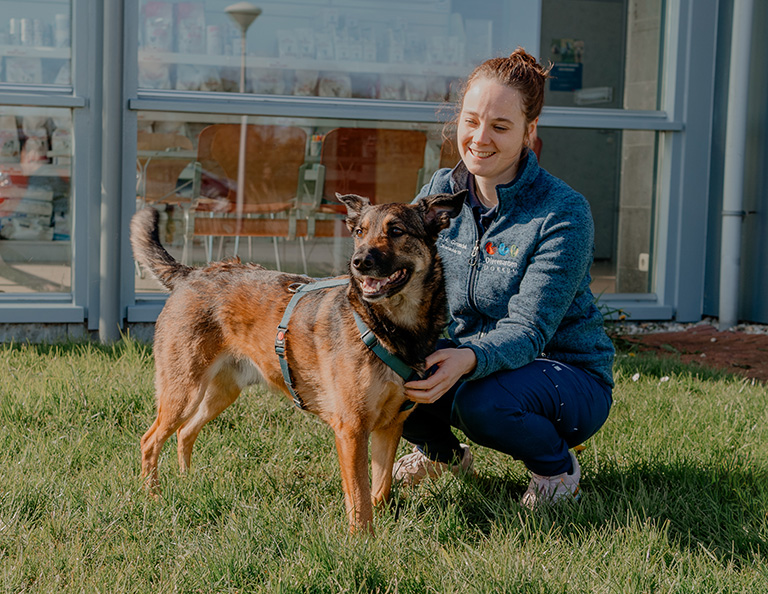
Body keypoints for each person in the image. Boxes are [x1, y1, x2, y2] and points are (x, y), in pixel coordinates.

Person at [393, 48, 615, 508]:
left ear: (529, 132)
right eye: (471, 121)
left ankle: (556, 469)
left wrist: (466, 357)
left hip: (564, 373)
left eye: (499, 126)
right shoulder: (440, 192)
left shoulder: (562, 213)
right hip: (469, 359)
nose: (479, 138)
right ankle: (441, 455)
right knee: (386, 364)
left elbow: (530, 329)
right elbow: (402, 276)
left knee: (481, 404)